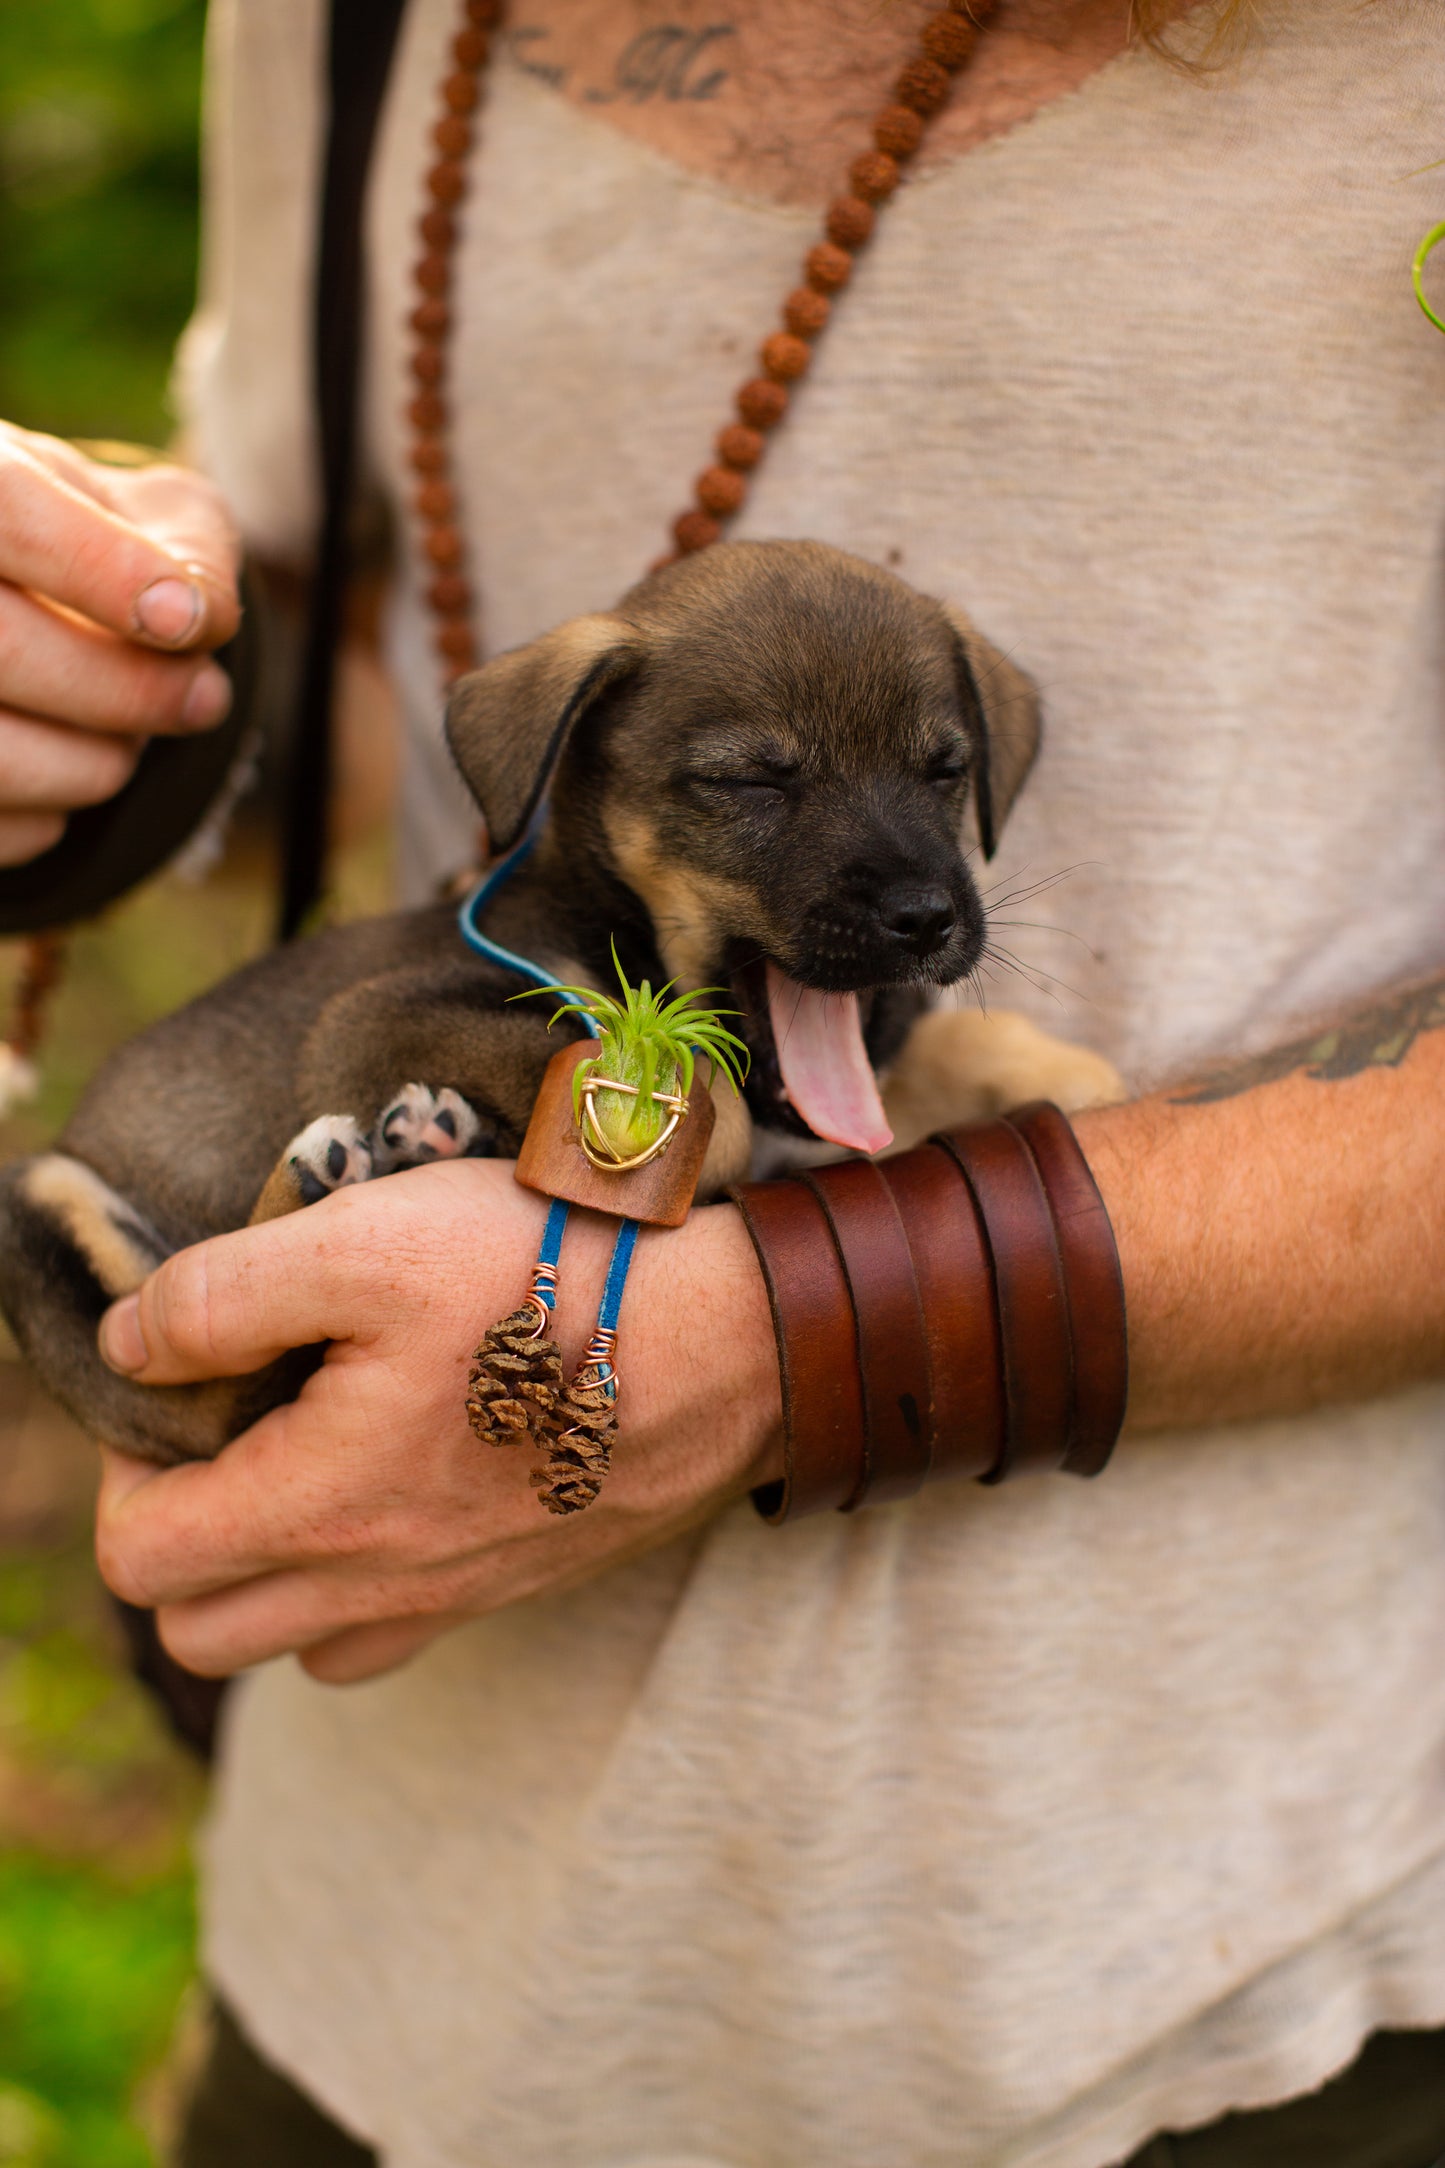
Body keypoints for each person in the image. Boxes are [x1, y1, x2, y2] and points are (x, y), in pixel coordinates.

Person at [4, 1, 1445, 2160]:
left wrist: (796, 1333)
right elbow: (339, 659)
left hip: (1212, 1961)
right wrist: (91, 698)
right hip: (397, 1934)